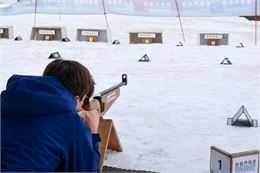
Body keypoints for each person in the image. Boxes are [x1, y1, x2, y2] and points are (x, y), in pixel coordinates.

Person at [1, 59, 101, 172]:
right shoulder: (70, 121)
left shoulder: (6, 103)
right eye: (84, 101)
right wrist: (92, 132)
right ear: (76, 98)